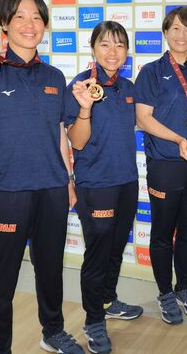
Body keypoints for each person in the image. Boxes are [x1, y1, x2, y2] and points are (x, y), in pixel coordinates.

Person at [0, 0, 84, 354]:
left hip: (51, 192)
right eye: (20, 17)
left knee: (50, 269)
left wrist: (68, 180)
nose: (30, 24)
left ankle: (52, 331)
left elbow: (61, 135)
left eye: (37, 17)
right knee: (0, 279)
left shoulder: (55, 76)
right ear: (4, 25)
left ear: (45, 25)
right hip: (6, 194)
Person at [64, 21, 142, 353]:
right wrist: (84, 108)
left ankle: (108, 300)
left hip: (127, 181)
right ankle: (94, 320)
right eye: (106, 45)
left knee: (114, 249)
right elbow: (75, 141)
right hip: (96, 185)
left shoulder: (127, 87)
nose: (113, 52)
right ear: (93, 48)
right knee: (97, 254)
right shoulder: (80, 86)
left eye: (120, 45)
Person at [134, 6, 187, 324]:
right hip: (165, 163)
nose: (182, 35)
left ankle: (184, 287)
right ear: (166, 32)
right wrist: (180, 139)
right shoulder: (151, 71)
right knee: (164, 233)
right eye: (176, 28)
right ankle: (165, 292)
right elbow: (143, 117)